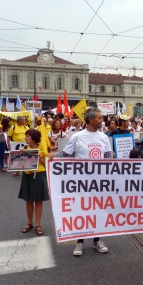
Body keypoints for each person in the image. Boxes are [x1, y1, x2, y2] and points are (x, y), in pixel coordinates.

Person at [48, 108, 111, 256]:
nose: (102, 120)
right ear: (90, 120)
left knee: (98, 211)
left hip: (99, 183)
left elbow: (109, 158)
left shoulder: (103, 137)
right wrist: (52, 156)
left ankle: (97, 241)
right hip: (81, 183)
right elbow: (65, 154)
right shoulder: (77, 137)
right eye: (99, 118)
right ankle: (80, 242)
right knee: (81, 211)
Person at [18, 129, 50, 236]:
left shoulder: (42, 148)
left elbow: (47, 164)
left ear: (33, 138)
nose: (25, 138)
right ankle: (29, 223)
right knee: (28, 200)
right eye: (26, 136)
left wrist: (40, 157)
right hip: (27, 175)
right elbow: (20, 164)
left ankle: (38, 225)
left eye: (27, 136)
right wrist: (20, 156)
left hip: (39, 175)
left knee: (39, 201)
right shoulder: (24, 148)